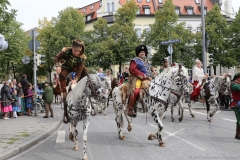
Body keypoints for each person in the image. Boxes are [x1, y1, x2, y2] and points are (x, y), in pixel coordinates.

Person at [54, 39, 89, 123]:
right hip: (66, 67)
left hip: (76, 67)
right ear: (72, 48)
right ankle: (64, 91)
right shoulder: (66, 52)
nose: (76, 52)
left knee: (87, 73)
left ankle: (82, 88)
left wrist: (75, 80)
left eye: (78, 51)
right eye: (75, 50)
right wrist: (57, 66)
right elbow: (57, 57)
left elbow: (80, 70)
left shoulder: (81, 58)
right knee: (62, 75)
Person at [127, 45, 152, 118]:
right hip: (137, 78)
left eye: (144, 52)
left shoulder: (146, 62)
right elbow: (133, 70)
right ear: (138, 53)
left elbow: (149, 70)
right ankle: (130, 109)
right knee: (136, 91)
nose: (142, 53)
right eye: (141, 52)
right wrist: (142, 75)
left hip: (148, 79)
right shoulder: (134, 60)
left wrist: (152, 74)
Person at [230, 72, 240, 140]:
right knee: (239, 119)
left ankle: (237, 134)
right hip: (237, 104)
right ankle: (238, 134)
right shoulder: (233, 84)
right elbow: (238, 88)